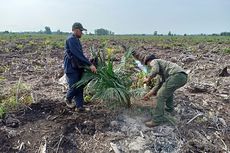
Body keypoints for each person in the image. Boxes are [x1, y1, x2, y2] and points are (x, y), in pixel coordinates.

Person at [142, 55, 188, 127]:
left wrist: (148, 79)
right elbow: (157, 86)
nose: (149, 66)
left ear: (149, 61)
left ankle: (156, 120)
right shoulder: (162, 72)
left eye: (148, 64)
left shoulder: (155, 61)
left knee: (160, 95)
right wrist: (148, 95)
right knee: (167, 92)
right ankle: (170, 110)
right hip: (182, 77)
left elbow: (155, 70)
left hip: (177, 75)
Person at [64, 22, 97, 112]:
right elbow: (78, 54)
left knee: (80, 86)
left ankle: (79, 107)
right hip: (71, 68)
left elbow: (79, 55)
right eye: (81, 31)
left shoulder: (76, 39)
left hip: (77, 66)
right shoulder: (71, 39)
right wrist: (90, 64)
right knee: (75, 86)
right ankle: (68, 98)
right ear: (75, 30)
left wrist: (88, 62)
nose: (82, 33)